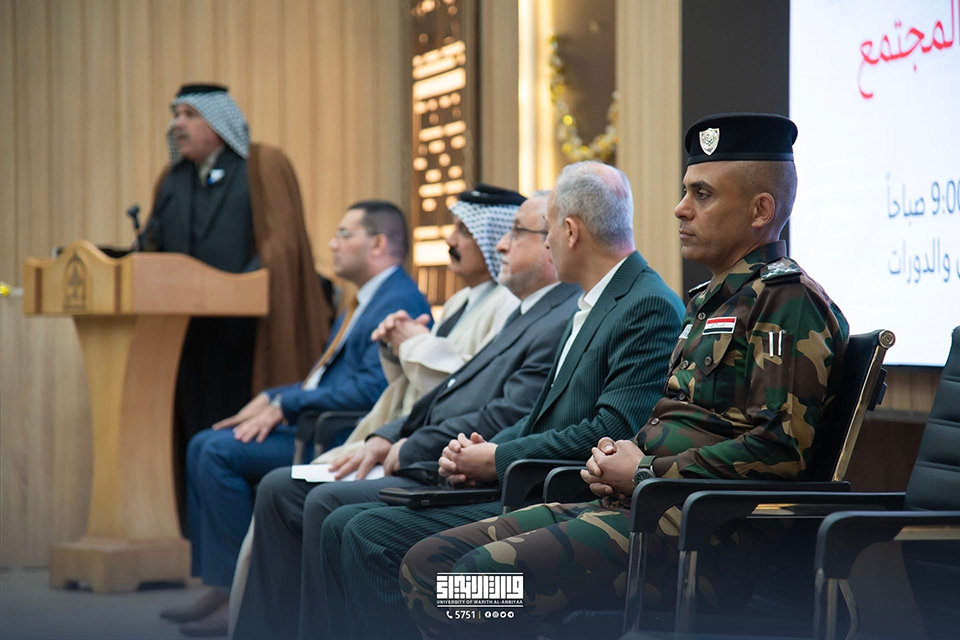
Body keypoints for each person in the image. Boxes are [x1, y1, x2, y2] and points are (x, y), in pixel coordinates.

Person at [401, 113, 851, 639]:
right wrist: (620, 457)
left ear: (760, 210)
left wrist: (645, 471)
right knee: (428, 565)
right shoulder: (711, 301)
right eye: (686, 191)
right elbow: (683, 421)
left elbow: (779, 452)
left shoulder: (787, 301)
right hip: (640, 509)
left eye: (702, 195)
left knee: (474, 584)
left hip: (704, 539)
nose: (681, 208)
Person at [311, 161, 685, 640]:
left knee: (375, 540)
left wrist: (497, 458)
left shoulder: (646, 303)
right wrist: (480, 450)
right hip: (534, 482)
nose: (546, 244)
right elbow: (541, 417)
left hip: (570, 495)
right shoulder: (594, 300)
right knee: (344, 525)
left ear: (570, 232)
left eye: (547, 229)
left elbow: (610, 433)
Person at [233, 192, 581, 640]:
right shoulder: (523, 311)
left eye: (515, 233)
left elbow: (510, 414)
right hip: (445, 449)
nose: (500, 244)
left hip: (478, 470)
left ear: (559, 241)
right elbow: (449, 393)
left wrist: (413, 444)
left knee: (338, 514)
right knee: (286, 490)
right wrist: (391, 433)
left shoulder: (556, 314)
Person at [160, 201, 430, 636]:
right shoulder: (365, 297)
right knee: (206, 443)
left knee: (217, 453)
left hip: (340, 434)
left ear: (378, 244)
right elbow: (324, 378)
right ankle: (224, 585)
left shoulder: (396, 300)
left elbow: (372, 390)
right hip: (319, 422)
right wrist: (274, 396)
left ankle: (235, 592)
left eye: (344, 234)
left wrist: (286, 405)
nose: (332, 244)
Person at [140, 83, 334, 521]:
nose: (177, 124)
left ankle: (245, 539)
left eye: (189, 114)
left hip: (244, 338)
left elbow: (280, 246)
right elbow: (152, 246)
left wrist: (234, 286)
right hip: (181, 340)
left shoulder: (259, 167)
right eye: (176, 115)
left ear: (218, 120)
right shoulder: (172, 180)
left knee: (236, 439)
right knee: (195, 438)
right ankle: (201, 543)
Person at [315, 183, 524, 464]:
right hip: (402, 431)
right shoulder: (459, 300)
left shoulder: (508, 303)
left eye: (464, 231)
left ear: (494, 238)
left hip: (437, 446)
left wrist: (413, 342)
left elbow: (472, 387)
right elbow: (418, 381)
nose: (450, 240)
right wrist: (395, 346)